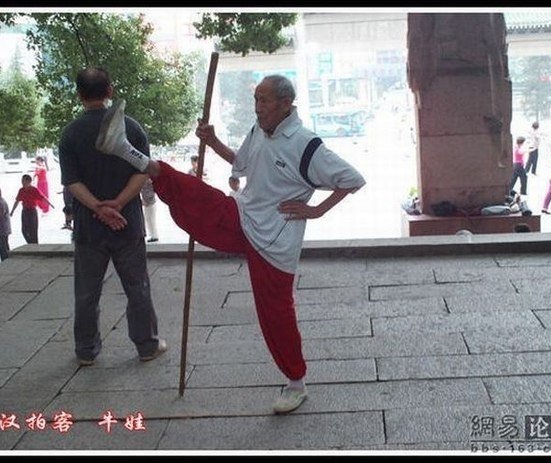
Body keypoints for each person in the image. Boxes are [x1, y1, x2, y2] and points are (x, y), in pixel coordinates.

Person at [94, 75, 366, 414]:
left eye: (264, 101)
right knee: (199, 198)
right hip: (242, 216)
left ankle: (296, 383)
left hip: (275, 242)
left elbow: (352, 179)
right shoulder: (260, 131)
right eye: (256, 100)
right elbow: (243, 162)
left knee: (276, 314)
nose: (258, 107)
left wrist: (316, 210)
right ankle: (127, 151)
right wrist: (213, 140)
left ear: (286, 104)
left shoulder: (307, 145)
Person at [58, 67, 166, 366]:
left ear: (79, 95)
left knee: (87, 291)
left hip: (88, 228)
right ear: (110, 91)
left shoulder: (70, 134)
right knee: (137, 287)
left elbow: (72, 182)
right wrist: (117, 203)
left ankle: (86, 350)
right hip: (128, 222)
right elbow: (143, 172)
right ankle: (146, 346)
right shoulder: (131, 128)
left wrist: (97, 207)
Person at [10, 174, 54, 244]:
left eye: (24, 181)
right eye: (22, 181)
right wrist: (12, 211)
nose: (22, 183)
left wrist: (50, 204)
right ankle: (30, 244)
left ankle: (34, 246)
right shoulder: (21, 190)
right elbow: (17, 201)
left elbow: (42, 198)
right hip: (24, 211)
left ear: (29, 181)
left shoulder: (34, 190)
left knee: (33, 231)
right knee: (24, 231)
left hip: (32, 212)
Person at [141, 177, 159, 243]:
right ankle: (152, 235)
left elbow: (152, 192)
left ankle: (154, 235)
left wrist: (146, 201)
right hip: (147, 202)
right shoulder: (145, 182)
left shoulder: (149, 182)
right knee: (148, 219)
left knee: (151, 219)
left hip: (150, 202)